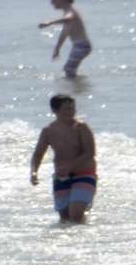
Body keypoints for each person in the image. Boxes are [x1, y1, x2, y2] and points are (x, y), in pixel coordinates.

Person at [32, 95, 96, 223]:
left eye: (73, 108)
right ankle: (72, 241)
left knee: (76, 214)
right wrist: (34, 172)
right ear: (54, 111)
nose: (71, 112)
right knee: (65, 218)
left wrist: (70, 167)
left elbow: (90, 152)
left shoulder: (81, 127)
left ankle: (84, 238)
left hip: (84, 174)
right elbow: (38, 154)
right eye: (66, 109)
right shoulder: (48, 131)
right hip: (61, 177)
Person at [37, 0, 91, 78]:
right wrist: (57, 48)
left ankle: (76, 85)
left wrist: (50, 22)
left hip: (82, 46)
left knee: (69, 69)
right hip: (79, 45)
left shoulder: (71, 11)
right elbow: (64, 33)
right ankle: (77, 83)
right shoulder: (67, 12)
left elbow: (68, 18)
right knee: (69, 69)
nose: (51, 2)